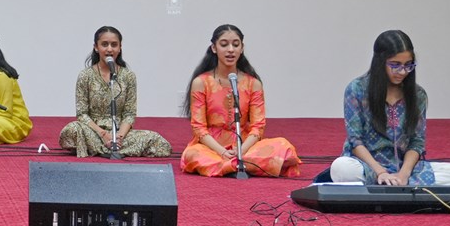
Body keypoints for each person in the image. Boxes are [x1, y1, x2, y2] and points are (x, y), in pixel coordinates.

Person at [329, 30, 450, 186]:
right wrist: (381, 172)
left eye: (408, 65)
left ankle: (391, 185)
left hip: (404, 168)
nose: (402, 72)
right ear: (380, 62)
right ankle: (390, 183)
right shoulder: (357, 89)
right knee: (341, 168)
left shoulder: (418, 94)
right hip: (367, 166)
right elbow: (355, 141)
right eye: (395, 65)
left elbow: (417, 142)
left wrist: (404, 174)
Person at [180, 24, 300, 177]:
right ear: (214, 48)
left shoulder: (253, 83)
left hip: (245, 146)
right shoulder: (201, 82)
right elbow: (199, 128)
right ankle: (241, 165)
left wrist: (241, 151)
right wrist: (222, 151)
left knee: (283, 146)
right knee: (193, 154)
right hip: (212, 148)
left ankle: (230, 165)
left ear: (242, 48)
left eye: (236, 45)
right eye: (224, 45)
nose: (231, 50)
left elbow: (258, 127)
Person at [59, 26, 171, 157]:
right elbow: (82, 114)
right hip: (93, 132)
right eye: (104, 44)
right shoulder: (85, 75)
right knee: (72, 130)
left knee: (159, 143)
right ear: (96, 47)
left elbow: (129, 114)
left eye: (114, 45)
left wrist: (119, 137)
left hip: (120, 134)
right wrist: (103, 134)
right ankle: (109, 149)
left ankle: (100, 148)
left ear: (120, 47)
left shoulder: (128, 76)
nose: (109, 49)